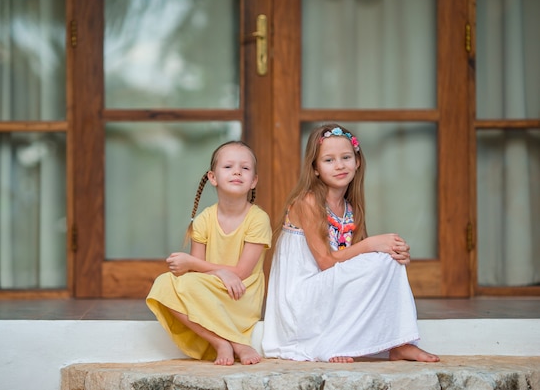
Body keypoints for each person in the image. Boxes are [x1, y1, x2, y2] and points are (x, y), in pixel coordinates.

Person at [261, 123, 440, 363]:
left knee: (385, 260)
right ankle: (335, 343)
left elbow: (360, 266)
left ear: (357, 161)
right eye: (329, 160)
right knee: (377, 255)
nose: (339, 165)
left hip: (325, 293)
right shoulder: (308, 202)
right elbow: (326, 262)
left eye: (346, 157)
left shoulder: (349, 208)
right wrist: (373, 244)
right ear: (314, 168)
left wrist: (394, 254)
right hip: (300, 302)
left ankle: (400, 344)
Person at [146, 140, 272, 366]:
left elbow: (241, 273)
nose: (237, 171)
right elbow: (197, 271)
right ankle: (219, 341)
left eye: (245, 168)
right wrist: (219, 273)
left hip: (240, 294)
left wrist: (212, 270)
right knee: (163, 284)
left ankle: (238, 341)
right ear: (213, 177)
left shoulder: (258, 219)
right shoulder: (204, 218)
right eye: (228, 167)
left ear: (253, 181)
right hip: (211, 291)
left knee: (190, 283)